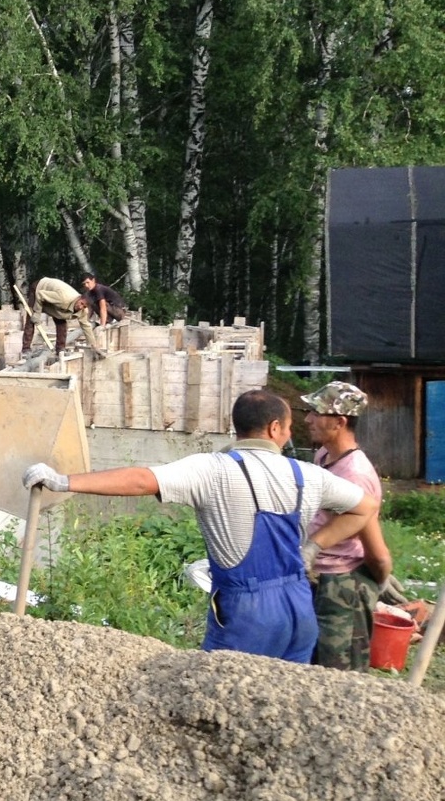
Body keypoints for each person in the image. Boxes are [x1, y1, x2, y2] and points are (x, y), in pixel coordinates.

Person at [22, 389, 378, 663]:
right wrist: (313, 547)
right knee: (285, 704)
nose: (290, 434)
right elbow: (366, 507)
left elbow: (141, 480)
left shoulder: (211, 469)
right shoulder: (308, 475)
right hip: (298, 607)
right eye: (288, 427)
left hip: (246, 614)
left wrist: (64, 481)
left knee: (224, 703)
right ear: (274, 429)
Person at [302, 381, 392, 670]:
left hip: (342, 585)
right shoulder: (325, 457)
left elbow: (374, 546)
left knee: (340, 671)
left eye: (316, 413)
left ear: (340, 422)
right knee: (312, 662)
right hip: (318, 577)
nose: (308, 419)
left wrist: (380, 579)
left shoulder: (355, 474)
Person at [21, 277, 91, 353]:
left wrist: (93, 346)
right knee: (32, 318)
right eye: (81, 303)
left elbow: (86, 326)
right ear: (79, 298)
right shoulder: (64, 298)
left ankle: (60, 349)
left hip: (53, 297)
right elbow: (40, 294)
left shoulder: (83, 310)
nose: (81, 307)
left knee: (61, 322)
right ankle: (26, 348)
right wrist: (37, 313)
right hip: (39, 288)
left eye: (84, 306)